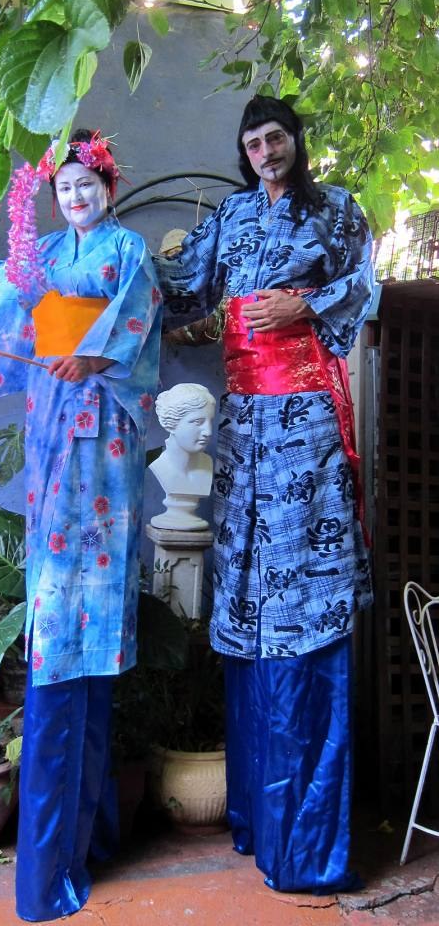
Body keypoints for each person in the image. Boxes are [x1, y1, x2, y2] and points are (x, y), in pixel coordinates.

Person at [0, 129, 162, 921]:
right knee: (55, 616)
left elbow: (136, 322)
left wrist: (96, 354)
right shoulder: (38, 256)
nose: (76, 196)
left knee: (90, 611)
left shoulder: (129, 255)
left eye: (88, 184)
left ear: (109, 188)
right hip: (52, 430)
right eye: (66, 187)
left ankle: (87, 835)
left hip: (104, 437)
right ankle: (78, 837)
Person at [155, 95, 374, 895]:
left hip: (308, 416)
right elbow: (181, 288)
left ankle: (310, 844)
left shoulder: (337, 210)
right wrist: (102, 257)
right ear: (243, 152)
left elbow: (365, 286)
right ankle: (259, 814)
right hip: (244, 424)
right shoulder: (232, 217)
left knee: (303, 596)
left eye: (274, 137)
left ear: (295, 140)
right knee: (246, 589)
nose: (264, 151)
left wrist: (306, 303)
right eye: (252, 142)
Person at [149, 383, 215, 530]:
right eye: (198, 422)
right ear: (171, 423)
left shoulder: (207, 463)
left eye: (210, 421)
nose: (208, 432)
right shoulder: (155, 460)